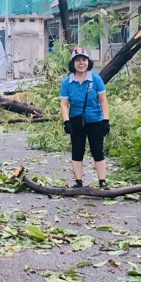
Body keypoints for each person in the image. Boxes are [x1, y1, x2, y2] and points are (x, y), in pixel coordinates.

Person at [60, 47, 110, 188]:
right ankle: (78, 181)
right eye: (78, 60)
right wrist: (66, 121)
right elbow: (64, 104)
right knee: (77, 150)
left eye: (84, 60)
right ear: (73, 63)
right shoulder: (67, 82)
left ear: (88, 62)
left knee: (97, 150)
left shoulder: (96, 79)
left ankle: (102, 181)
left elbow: (103, 100)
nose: (81, 63)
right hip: (76, 121)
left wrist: (106, 120)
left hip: (95, 120)